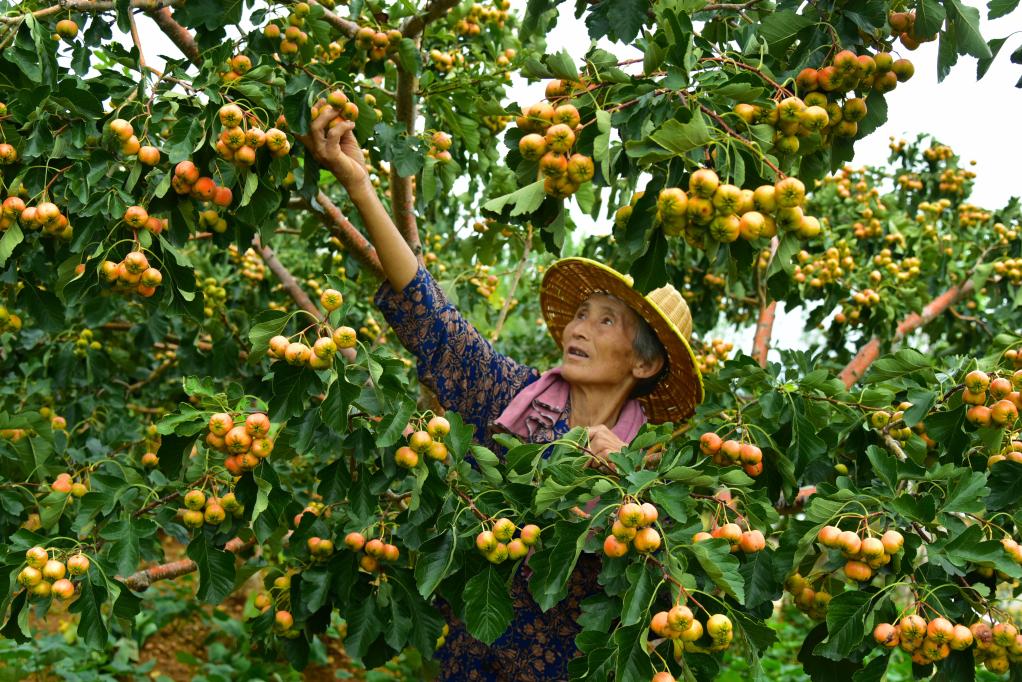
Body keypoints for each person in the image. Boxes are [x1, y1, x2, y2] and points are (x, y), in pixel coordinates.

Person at [303, 107, 704, 680]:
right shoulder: (510, 397)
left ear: (643, 362)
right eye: (580, 314)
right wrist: (359, 185)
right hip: (473, 663)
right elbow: (431, 314)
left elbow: (672, 593)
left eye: (605, 321)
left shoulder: (654, 471)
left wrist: (631, 488)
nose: (579, 329)